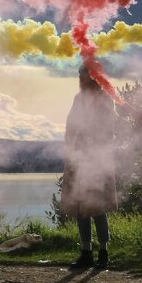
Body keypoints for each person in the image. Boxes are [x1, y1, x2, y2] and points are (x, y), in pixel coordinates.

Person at [61, 65, 119, 270]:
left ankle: (103, 252)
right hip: (78, 159)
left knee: (97, 206)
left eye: (83, 74)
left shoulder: (105, 99)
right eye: (79, 74)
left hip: (97, 159)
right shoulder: (79, 99)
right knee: (80, 207)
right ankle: (86, 252)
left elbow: (107, 130)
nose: (80, 78)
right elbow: (71, 127)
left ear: (93, 76)